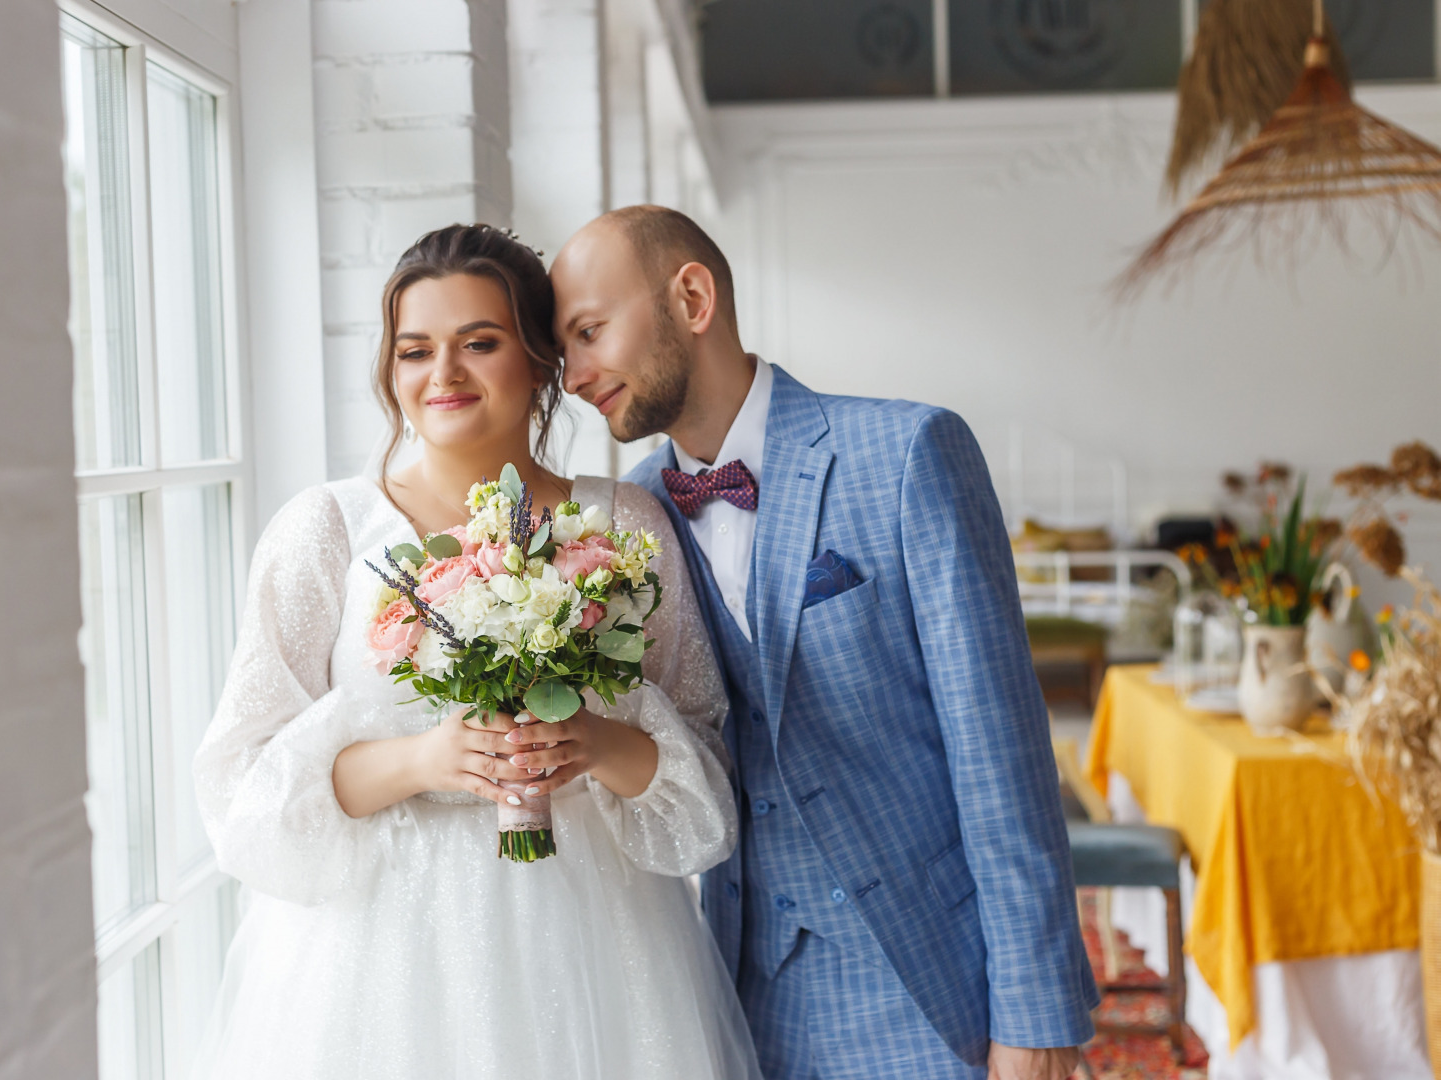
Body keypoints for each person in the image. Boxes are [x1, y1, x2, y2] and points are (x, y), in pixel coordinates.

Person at [190, 224, 761, 1080]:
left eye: (479, 343)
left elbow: (707, 766)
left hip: (599, 951)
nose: (443, 375)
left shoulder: (627, 526)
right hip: (374, 965)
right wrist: (424, 759)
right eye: (415, 350)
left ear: (540, 362)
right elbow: (242, 788)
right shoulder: (328, 529)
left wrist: (598, 744)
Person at [549, 206, 1099, 1080]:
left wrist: (1034, 1013)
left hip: (932, 982)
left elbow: (1000, 750)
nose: (573, 374)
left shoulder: (910, 451)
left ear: (692, 296)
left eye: (588, 332)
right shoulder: (629, 517)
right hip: (740, 990)